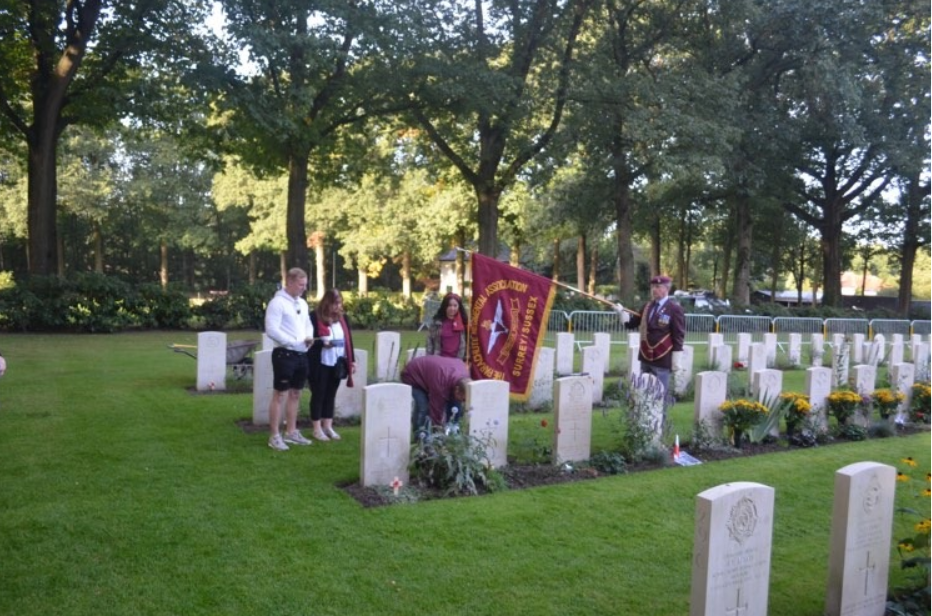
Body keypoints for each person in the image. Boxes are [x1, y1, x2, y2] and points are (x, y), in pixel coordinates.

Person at [264, 268, 315, 451]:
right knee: (280, 394)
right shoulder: (277, 303)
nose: (303, 288)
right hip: (284, 354)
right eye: (301, 285)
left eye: (305, 285)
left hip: (302, 354)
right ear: (290, 282)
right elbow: (272, 329)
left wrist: (308, 337)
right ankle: (274, 436)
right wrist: (292, 342)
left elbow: (308, 324)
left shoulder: (302, 303)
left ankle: (291, 432)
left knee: (296, 393)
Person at [623, 275, 686, 408]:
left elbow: (678, 335)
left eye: (657, 287)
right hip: (646, 356)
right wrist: (621, 313)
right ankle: (643, 423)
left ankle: (660, 426)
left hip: (662, 357)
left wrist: (676, 358)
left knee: (660, 396)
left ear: (666, 289)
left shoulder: (674, 309)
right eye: (652, 287)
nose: (654, 289)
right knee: (643, 392)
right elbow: (632, 323)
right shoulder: (647, 306)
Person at [307, 288, 355, 441]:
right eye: (335, 303)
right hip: (320, 361)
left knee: (331, 394)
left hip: (337, 361)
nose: (338, 306)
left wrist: (351, 360)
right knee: (319, 394)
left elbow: (348, 340)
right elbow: (309, 340)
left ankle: (328, 426)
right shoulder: (315, 317)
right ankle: (316, 428)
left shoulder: (343, 319)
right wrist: (323, 344)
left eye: (340, 303)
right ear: (327, 303)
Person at [400, 355, 471, 436]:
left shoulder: (465, 379)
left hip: (433, 374)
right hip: (413, 375)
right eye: (463, 400)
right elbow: (436, 411)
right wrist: (437, 433)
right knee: (423, 406)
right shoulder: (441, 385)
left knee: (455, 402)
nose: (463, 402)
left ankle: (451, 433)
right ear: (457, 389)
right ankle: (419, 435)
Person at [425, 292, 468, 360]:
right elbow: (429, 342)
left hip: (457, 362)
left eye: (455, 305)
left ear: (459, 307)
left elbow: (468, 344)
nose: (452, 308)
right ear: (445, 306)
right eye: (449, 305)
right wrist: (429, 359)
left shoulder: (464, 323)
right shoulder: (436, 323)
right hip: (439, 361)